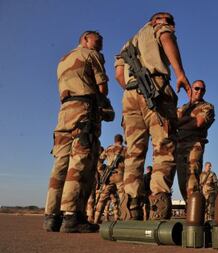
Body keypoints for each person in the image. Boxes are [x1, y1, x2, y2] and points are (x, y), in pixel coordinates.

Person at [114, 12, 191, 220]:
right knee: (164, 146)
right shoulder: (159, 29)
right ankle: (158, 207)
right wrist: (180, 73)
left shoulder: (127, 44)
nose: (172, 26)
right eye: (170, 22)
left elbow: (119, 75)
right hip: (155, 90)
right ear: (157, 20)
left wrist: (132, 89)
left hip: (129, 96)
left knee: (133, 152)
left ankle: (131, 209)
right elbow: (166, 39)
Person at [43, 30, 112, 233]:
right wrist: (105, 108)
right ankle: (72, 217)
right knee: (80, 162)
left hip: (64, 112)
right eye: (97, 42)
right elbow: (102, 89)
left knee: (60, 164)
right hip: (84, 110)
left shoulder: (63, 60)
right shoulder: (91, 55)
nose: (100, 46)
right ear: (85, 39)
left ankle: (51, 216)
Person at [176, 80, 215, 201]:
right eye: (197, 88)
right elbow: (170, 123)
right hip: (179, 145)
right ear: (191, 89)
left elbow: (199, 123)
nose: (199, 91)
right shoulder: (183, 107)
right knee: (182, 182)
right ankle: (190, 209)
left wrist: (178, 123)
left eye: (202, 89)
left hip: (195, 144)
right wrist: (188, 120)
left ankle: (195, 214)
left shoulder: (207, 106)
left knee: (192, 179)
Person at [93, 134, 126, 223]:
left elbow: (99, 160)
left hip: (109, 176)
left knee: (102, 198)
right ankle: (125, 219)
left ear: (114, 140)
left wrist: (101, 171)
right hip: (121, 175)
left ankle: (96, 219)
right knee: (123, 196)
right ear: (122, 140)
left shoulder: (108, 148)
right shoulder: (125, 149)